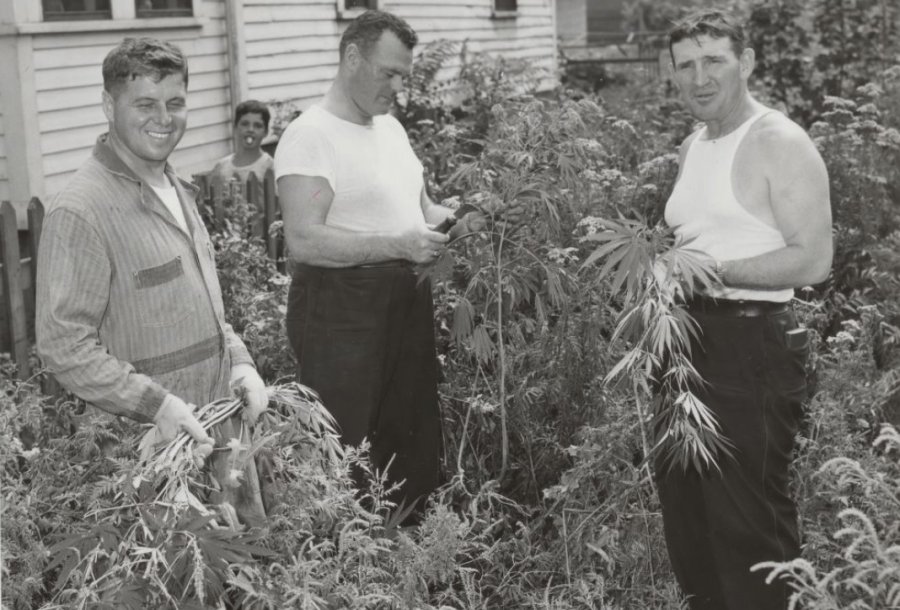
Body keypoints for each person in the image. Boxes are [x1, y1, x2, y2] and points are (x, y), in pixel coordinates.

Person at [36, 37, 269, 526]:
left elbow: (202, 308)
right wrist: (155, 403)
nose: (164, 118)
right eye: (145, 103)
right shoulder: (82, 211)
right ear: (108, 105)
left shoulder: (178, 189)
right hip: (150, 460)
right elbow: (63, 345)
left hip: (219, 439)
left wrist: (241, 364)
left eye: (176, 103)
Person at [657, 9, 833, 609]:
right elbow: (690, 245)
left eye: (714, 61)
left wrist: (715, 275)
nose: (699, 77)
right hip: (682, 347)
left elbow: (812, 260)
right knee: (689, 516)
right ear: (673, 74)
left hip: (751, 347)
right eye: (687, 65)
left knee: (748, 522)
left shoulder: (777, 140)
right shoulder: (692, 146)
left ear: (747, 62)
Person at [274, 10, 482, 519]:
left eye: (404, 77)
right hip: (340, 309)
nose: (397, 88)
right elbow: (303, 241)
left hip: (405, 298)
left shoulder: (390, 128)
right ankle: (342, 563)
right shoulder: (310, 134)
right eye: (388, 73)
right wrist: (398, 245)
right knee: (343, 444)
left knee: (406, 430)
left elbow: (422, 210)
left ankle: (406, 554)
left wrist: (462, 220)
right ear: (351, 57)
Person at [210, 99, 274, 186]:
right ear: (235, 128)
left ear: (266, 132)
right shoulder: (221, 167)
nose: (250, 130)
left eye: (257, 126)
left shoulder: (270, 167)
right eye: (245, 124)